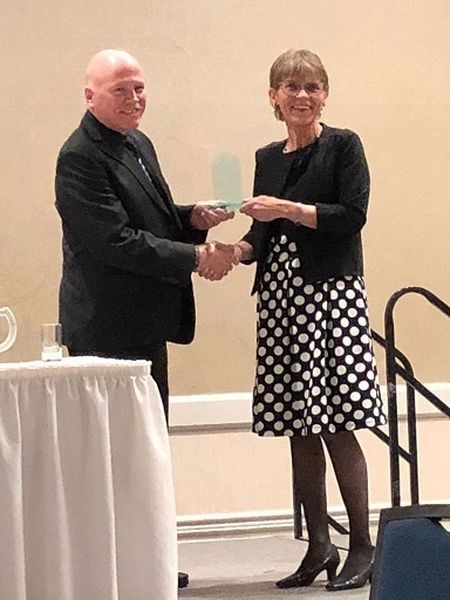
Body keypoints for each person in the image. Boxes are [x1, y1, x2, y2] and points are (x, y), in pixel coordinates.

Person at [55, 48, 235, 590]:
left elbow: (149, 219)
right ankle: (114, 565)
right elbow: (114, 242)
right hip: (105, 328)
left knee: (147, 449)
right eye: (120, 90)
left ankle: (146, 560)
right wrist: (196, 257)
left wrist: (190, 219)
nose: (135, 99)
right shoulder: (79, 156)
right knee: (112, 455)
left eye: (139, 87)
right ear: (91, 96)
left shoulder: (138, 142)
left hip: (144, 324)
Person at [231, 49, 387, 592]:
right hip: (280, 301)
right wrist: (232, 251)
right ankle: (319, 544)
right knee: (299, 426)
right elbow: (261, 239)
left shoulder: (344, 145)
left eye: (312, 86)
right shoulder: (266, 156)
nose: (301, 95)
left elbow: (354, 215)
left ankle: (363, 546)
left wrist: (291, 210)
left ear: (326, 94)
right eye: (291, 86)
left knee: (339, 422)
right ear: (273, 95)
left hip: (331, 297)